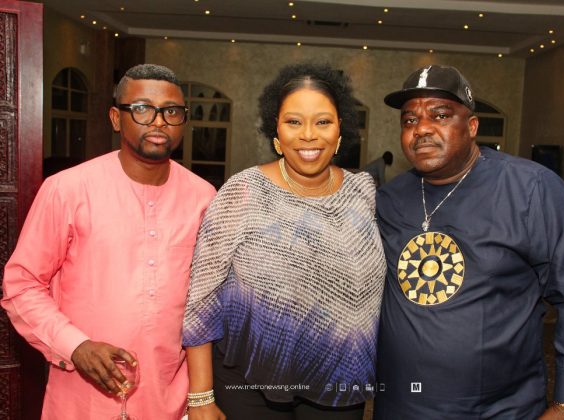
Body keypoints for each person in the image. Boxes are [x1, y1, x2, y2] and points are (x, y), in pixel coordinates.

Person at [374, 65, 564, 419]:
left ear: (472, 126)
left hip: (499, 409)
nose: (421, 128)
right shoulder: (389, 198)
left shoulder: (531, 189)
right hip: (401, 406)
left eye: (440, 115)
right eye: (410, 120)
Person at [1, 64, 216, 419]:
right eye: (143, 109)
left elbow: (208, 304)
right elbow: (21, 285)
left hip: (168, 400)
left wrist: (201, 396)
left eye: (171, 112)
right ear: (117, 118)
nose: (158, 122)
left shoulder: (204, 198)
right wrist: (77, 346)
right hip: (81, 399)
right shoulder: (67, 189)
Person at [182, 63, 386, 420]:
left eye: (322, 122)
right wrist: (200, 396)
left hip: (338, 386)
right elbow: (202, 297)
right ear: (276, 130)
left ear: (340, 130)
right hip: (249, 385)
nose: (308, 135)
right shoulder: (242, 192)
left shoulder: (364, 192)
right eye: (294, 121)